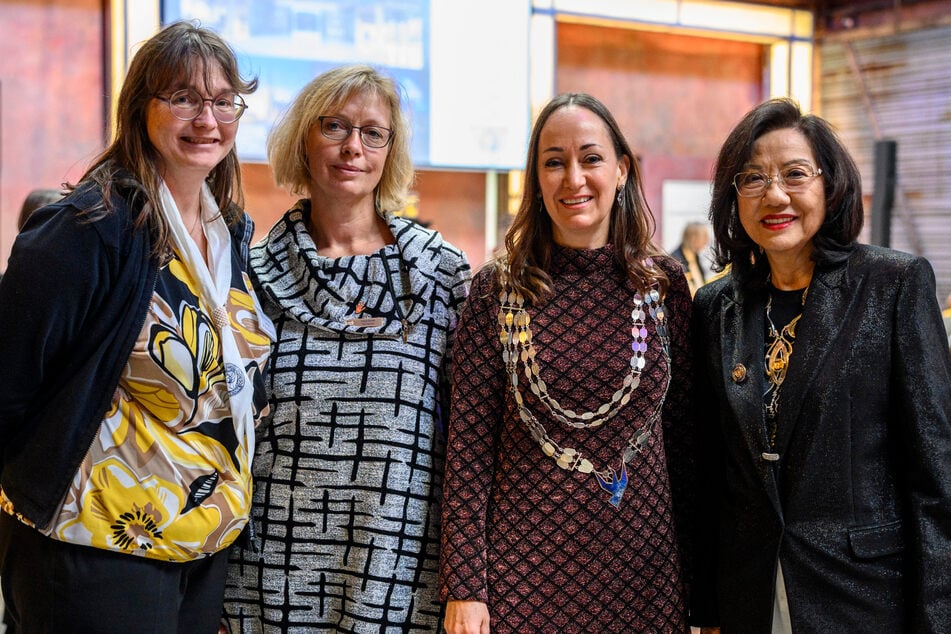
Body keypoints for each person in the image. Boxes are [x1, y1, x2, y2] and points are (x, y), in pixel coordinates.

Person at [0, 20, 273, 633]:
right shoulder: (89, 226)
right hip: (92, 543)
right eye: (183, 98)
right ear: (139, 109)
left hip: (200, 546)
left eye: (223, 101)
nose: (207, 119)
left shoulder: (228, 230)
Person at [438, 93, 712, 633]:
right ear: (536, 179)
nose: (574, 178)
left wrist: (703, 593)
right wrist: (465, 587)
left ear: (621, 170)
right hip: (522, 584)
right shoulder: (497, 291)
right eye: (554, 162)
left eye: (590, 158)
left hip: (646, 580)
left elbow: (684, 445)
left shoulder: (663, 286)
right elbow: (467, 450)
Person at [222, 64, 471, 632]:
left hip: (401, 567)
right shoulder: (251, 276)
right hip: (270, 573)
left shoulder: (441, 274)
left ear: (391, 150)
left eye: (372, 133)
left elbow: (469, 444)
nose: (353, 146)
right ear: (303, 140)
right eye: (334, 126)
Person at [692, 97, 951, 632]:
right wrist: (708, 607)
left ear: (830, 186)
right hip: (750, 595)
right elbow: (714, 472)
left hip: (864, 596)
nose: (775, 195)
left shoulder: (893, 285)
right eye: (753, 178)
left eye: (794, 174)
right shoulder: (715, 306)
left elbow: (936, 474)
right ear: (733, 198)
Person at [671, 220, 710, 296]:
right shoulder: (675, 260)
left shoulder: (695, 255)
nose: (706, 241)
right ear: (693, 239)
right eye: (704, 237)